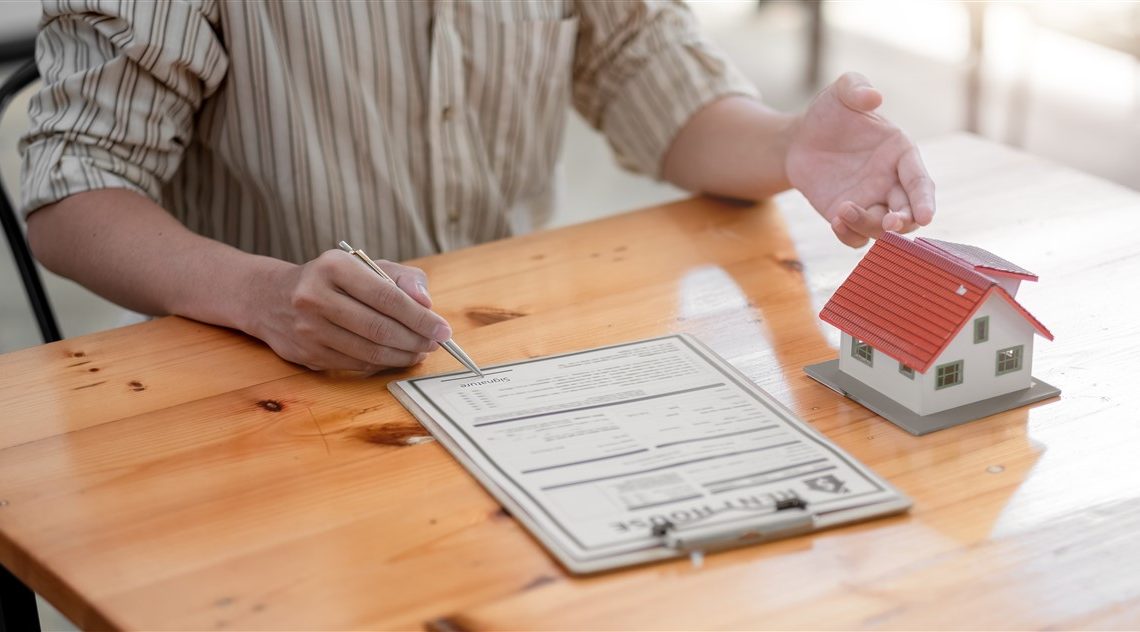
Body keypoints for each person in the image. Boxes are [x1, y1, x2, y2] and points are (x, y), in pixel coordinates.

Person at [21, 1, 934, 373]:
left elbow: (642, 69)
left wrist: (790, 146)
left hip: (496, 363)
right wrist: (262, 295)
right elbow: (73, 191)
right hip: (254, 377)